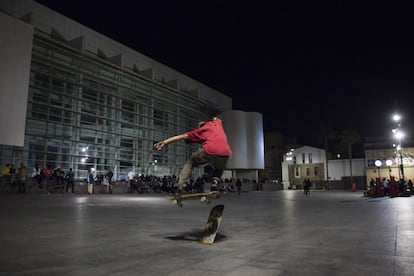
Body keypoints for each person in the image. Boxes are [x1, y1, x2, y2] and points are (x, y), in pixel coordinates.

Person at [154, 116, 232, 194]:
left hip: (209, 150)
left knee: (190, 162)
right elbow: (217, 118)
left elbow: (182, 136)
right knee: (219, 168)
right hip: (226, 152)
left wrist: (164, 142)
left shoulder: (200, 131)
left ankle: (180, 184)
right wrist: (213, 119)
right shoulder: (216, 123)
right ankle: (215, 182)